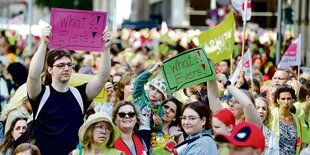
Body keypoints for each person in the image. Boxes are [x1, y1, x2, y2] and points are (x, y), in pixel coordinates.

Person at [26, 25, 112, 155]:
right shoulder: (41, 93)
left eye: (69, 65)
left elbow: (103, 77)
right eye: (60, 65)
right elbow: (33, 75)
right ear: (50, 70)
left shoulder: (80, 94)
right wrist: (44, 43)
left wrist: (106, 48)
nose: (66, 68)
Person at [132, 62, 167, 148]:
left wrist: (157, 124)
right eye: (153, 88)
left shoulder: (159, 108)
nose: (154, 92)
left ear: (162, 97)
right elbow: (138, 82)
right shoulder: (139, 95)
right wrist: (153, 70)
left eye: (159, 91)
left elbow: (157, 129)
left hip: (146, 133)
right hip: (132, 128)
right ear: (149, 87)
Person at [270, 84, 302, 155]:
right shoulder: (271, 116)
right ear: (278, 100)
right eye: (283, 99)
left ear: (293, 100)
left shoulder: (296, 119)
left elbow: (299, 143)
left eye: (289, 98)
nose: (286, 102)